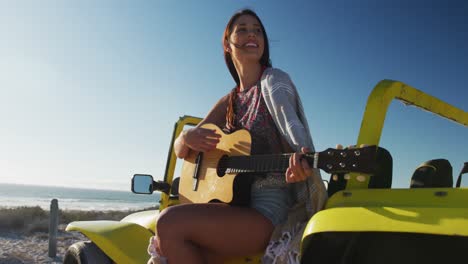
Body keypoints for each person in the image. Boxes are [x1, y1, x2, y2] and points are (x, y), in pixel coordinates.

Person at [149, 8, 327, 264]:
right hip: (233, 206)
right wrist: (187, 137)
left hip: (269, 206)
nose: (251, 34)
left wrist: (304, 161)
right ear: (227, 43)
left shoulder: (274, 81)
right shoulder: (229, 101)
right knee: (175, 245)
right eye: (242, 29)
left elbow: (292, 127)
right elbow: (182, 149)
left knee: (168, 222)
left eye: (257, 30)